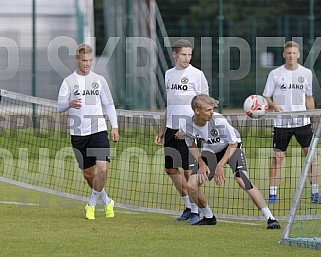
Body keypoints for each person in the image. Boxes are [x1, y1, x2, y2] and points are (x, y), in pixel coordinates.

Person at [181, 94, 281, 229]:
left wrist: (220, 165)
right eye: (208, 110)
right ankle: (209, 217)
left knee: (243, 181)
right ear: (197, 111)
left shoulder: (218, 120)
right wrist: (202, 164)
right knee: (191, 185)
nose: (212, 112)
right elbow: (191, 145)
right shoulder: (187, 125)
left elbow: (233, 144)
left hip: (232, 147)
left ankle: (270, 218)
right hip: (211, 150)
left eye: (212, 109)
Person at [57, 43, 119, 220]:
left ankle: (91, 204)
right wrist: (69, 104)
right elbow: (59, 106)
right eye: (84, 60)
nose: (87, 64)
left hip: (98, 131)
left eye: (90, 60)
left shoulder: (99, 80)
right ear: (77, 59)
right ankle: (107, 201)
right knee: (88, 173)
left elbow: (109, 104)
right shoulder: (68, 81)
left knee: (103, 170)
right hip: (78, 134)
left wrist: (114, 126)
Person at [155, 39, 211, 224]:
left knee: (189, 172)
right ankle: (188, 205)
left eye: (189, 54)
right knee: (171, 169)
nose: (187, 58)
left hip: (189, 131)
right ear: (175, 54)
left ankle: (196, 211)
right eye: (184, 54)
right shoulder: (168, 74)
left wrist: (189, 127)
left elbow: (205, 105)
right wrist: (162, 130)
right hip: (171, 129)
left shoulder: (197, 75)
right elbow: (169, 105)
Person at [263, 41, 320, 204]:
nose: (291, 56)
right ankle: (272, 195)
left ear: (298, 55)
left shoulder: (306, 73)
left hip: (302, 123)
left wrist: (314, 119)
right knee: (277, 158)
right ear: (284, 54)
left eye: (294, 53)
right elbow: (266, 96)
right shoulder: (275, 73)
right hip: (282, 124)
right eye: (288, 53)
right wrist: (274, 105)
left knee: (311, 157)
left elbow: (309, 98)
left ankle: (315, 193)